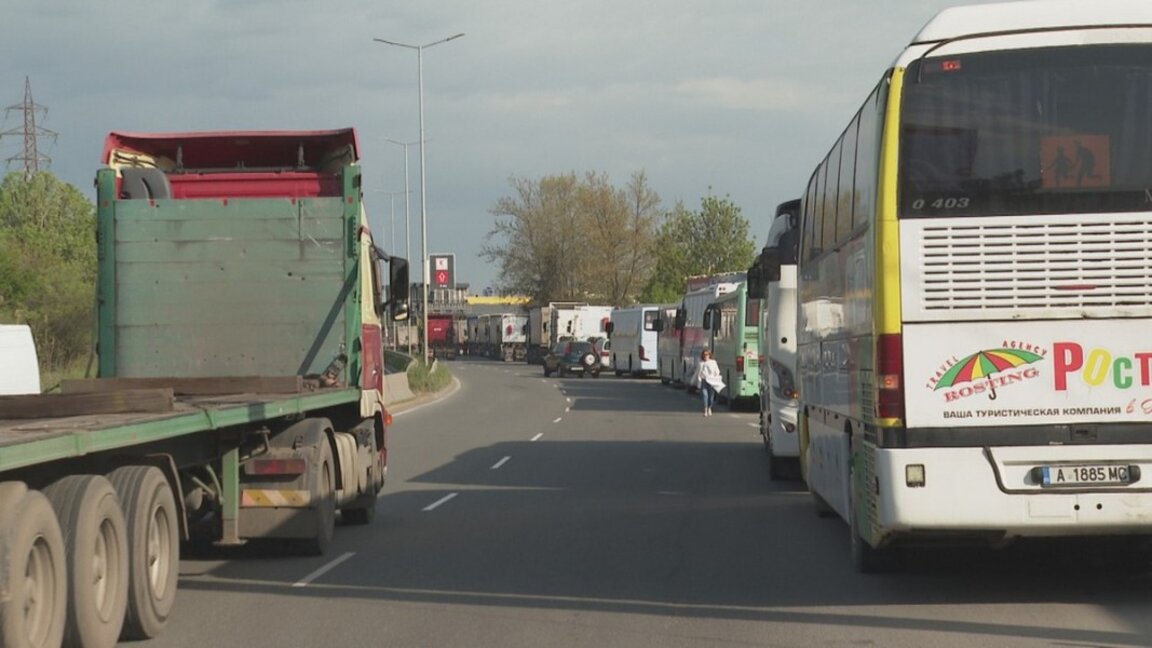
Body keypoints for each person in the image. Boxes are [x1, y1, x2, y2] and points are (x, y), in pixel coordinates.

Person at [693, 349, 725, 416]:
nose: (705, 356)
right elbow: (697, 372)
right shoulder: (701, 363)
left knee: (711, 397)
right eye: (704, 355)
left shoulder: (713, 362)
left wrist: (716, 376)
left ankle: (709, 408)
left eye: (707, 354)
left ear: (709, 355)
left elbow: (717, 371)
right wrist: (693, 380)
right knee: (705, 395)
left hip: (711, 381)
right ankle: (705, 410)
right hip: (704, 381)